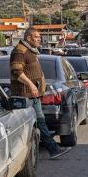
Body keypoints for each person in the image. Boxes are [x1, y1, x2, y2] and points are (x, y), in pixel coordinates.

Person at [10, 27, 71, 160]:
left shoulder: (31, 51)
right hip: (25, 96)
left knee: (41, 122)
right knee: (27, 126)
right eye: (36, 37)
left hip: (34, 96)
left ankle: (53, 149)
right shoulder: (20, 51)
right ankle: (19, 156)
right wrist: (31, 85)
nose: (39, 39)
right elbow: (17, 71)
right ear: (28, 38)